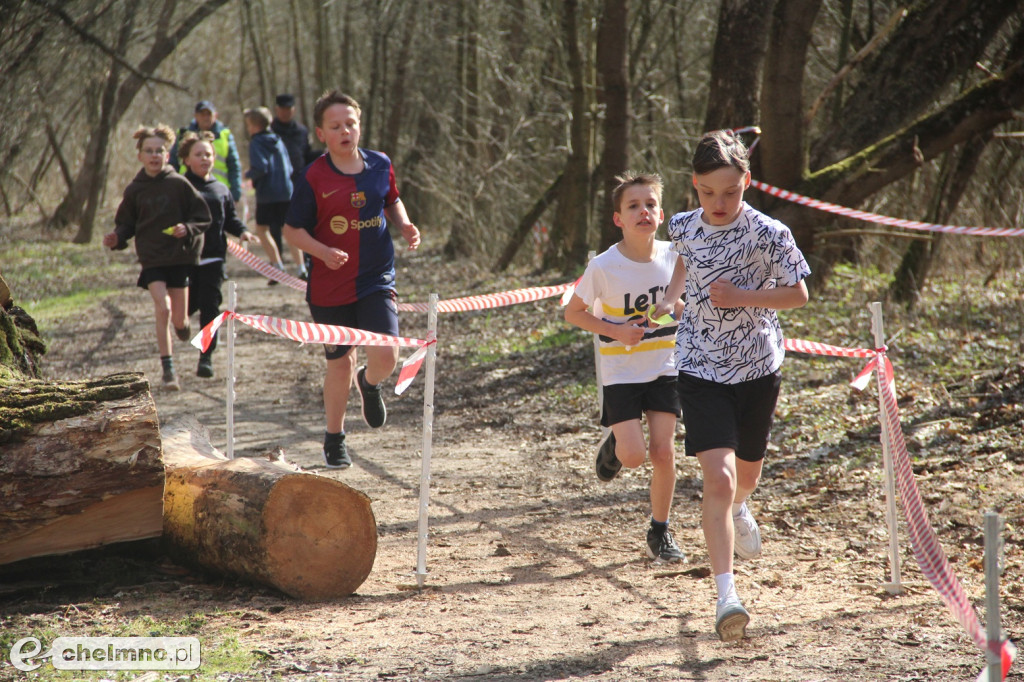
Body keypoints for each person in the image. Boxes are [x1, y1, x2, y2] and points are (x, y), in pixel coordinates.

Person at [650, 130, 810, 642]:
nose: (718, 204)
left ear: (747, 182)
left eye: (730, 192)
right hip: (699, 365)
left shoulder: (769, 232)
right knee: (716, 479)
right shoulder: (681, 225)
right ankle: (726, 596)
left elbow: (799, 294)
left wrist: (743, 295)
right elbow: (684, 260)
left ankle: (742, 506)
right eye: (707, 193)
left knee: (746, 474)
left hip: (758, 366)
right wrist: (672, 296)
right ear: (694, 187)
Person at [283, 90, 420, 470]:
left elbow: (391, 199)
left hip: (376, 277)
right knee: (339, 364)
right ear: (321, 133)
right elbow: (292, 231)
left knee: (386, 355)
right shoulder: (314, 176)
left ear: (360, 126)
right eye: (336, 126)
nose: (345, 131)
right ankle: (335, 437)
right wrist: (322, 252)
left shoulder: (380, 164)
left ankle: (370, 382)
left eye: (351, 123)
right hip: (330, 285)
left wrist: (404, 224)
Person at [563, 171, 686, 565]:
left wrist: (682, 309)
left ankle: (660, 530)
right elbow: (573, 313)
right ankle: (617, 443)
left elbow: (689, 303)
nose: (643, 212)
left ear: (661, 213)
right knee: (635, 457)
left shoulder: (675, 257)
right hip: (621, 372)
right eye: (633, 206)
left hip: (664, 366)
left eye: (650, 204)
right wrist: (615, 330)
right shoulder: (603, 265)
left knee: (664, 452)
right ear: (618, 218)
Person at [102, 124, 211, 390]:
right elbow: (126, 223)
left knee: (179, 319)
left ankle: (183, 327)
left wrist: (187, 229)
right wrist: (118, 238)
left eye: (159, 151)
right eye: (148, 151)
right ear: (139, 155)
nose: (154, 155)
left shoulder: (178, 184)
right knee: (163, 308)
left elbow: (202, 218)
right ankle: (168, 370)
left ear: (168, 153)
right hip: (152, 259)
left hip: (179, 257)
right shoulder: (135, 190)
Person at [179, 130, 259, 378]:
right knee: (186, 307)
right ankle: (180, 324)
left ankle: (206, 357)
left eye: (209, 154)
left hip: (214, 258)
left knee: (210, 307)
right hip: (184, 259)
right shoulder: (178, 186)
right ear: (186, 159)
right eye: (198, 154)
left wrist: (243, 232)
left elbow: (230, 220)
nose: (205, 158)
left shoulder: (221, 189)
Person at [243, 106, 294, 283]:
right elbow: (290, 167)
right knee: (290, 230)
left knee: (261, 230)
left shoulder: (256, 142)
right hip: (286, 190)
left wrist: (248, 174)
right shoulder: (278, 139)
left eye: (248, 124)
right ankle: (301, 267)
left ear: (254, 125)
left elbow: (260, 167)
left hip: (267, 193)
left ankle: (277, 266)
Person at [271, 93, 318, 279]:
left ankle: (305, 261)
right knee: (276, 224)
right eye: (282, 109)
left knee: (302, 221)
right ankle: (277, 263)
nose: (285, 112)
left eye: (288, 109)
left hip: (298, 182)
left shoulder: (302, 131)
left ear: (293, 110)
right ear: (277, 110)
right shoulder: (270, 130)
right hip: (275, 184)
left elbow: (306, 154)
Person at [169, 100, 243, 203]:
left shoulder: (224, 135)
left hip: (218, 193)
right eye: (202, 114)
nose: (206, 117)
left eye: (209, 114)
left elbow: (234, 165)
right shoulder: (183, 135)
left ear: (215, 115)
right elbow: (173, 163)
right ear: (195, 116)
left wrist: (235, 193)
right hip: (188, 189)